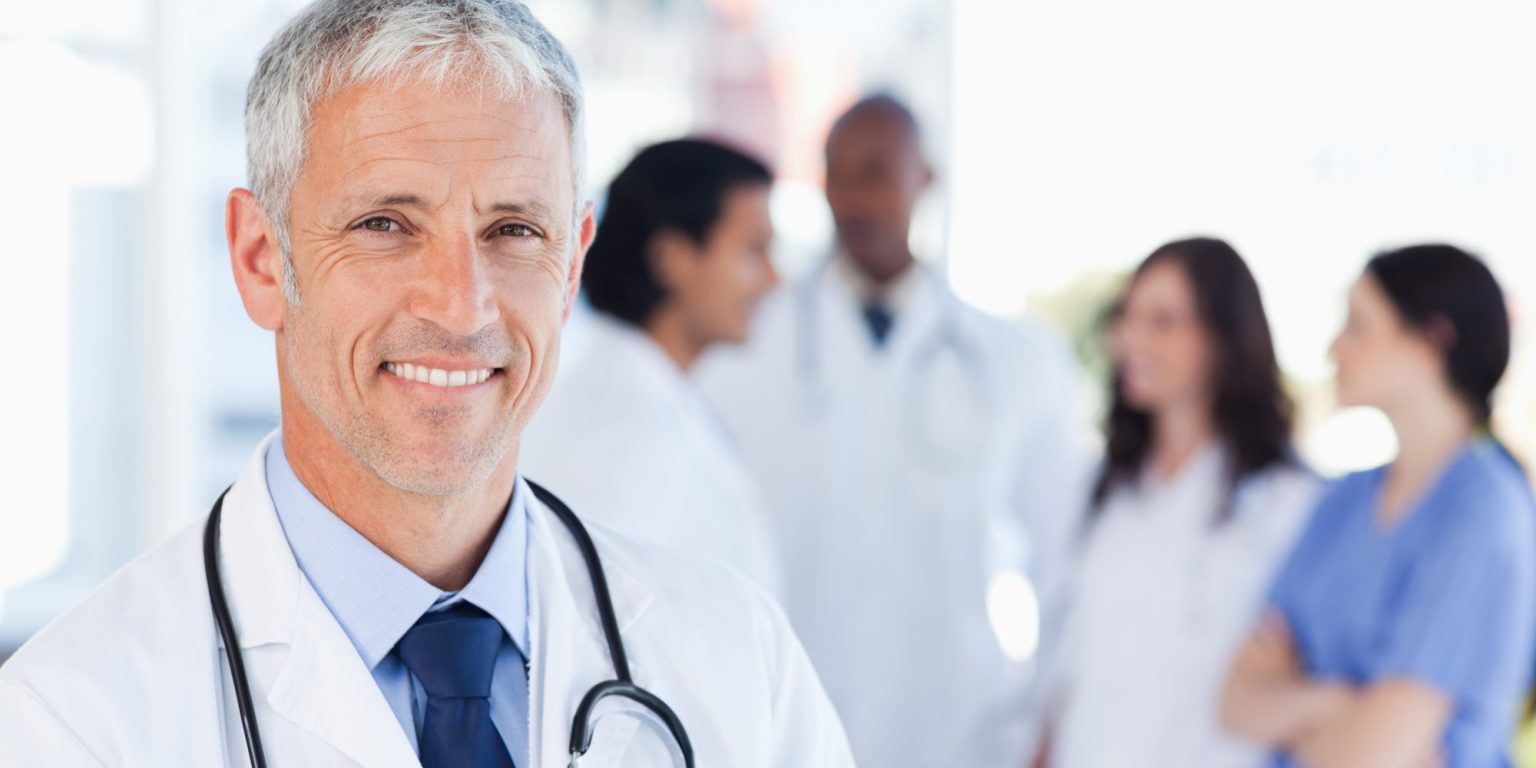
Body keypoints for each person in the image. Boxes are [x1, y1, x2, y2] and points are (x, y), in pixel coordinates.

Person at [0, 2, 856, 765]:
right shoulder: (71, 723)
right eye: (384, 224)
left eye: (514, 228)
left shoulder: (740, 663)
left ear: (571, 267)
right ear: (262, 261)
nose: (461, 304)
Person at [697, 94, 1091, 767]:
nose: (852, 197)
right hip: (788, 715)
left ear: (926, 179)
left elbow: (1063, 561)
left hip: (963, 727)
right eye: (835, 174)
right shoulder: (742, 346)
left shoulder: (1014, 360)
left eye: (876, 172)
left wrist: (1049, 719)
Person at [1221, 244, 1536, 767]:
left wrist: (1295, 707)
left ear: (1430, 342)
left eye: (1358, 326)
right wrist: (1338, 705)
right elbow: (1235, 703)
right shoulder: (1341, 499)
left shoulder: (1483, 510)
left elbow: (1374, 753)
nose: (1334, 348)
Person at [1032, 238, 1320, 768]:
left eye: (1163, 321)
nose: (1132, 339)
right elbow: (1063, 671)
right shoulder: (1094, 490)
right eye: (1127, 317)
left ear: (1224, 338)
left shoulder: (1287, 504)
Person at [521, 138, 785, 600]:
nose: (773, 278)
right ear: (673, 258)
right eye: (753, 251)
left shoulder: (645, 393)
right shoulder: (624, 430)